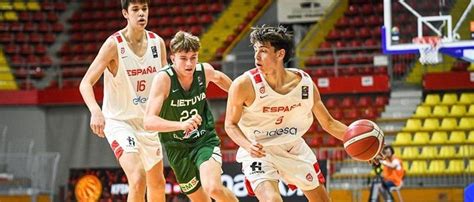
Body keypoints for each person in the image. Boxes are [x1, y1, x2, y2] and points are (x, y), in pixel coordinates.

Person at [224, 25, 349, 202]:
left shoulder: (304, 84)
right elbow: (230, 124)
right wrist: (247, 145)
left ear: (280, 54)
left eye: (264, 51)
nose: (256, 56)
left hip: (293, 147)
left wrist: (356, 139)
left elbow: (329, 123)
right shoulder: (244, 84)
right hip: (258, 149)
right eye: (255, 50)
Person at [79, 0, 167, 201]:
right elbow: (85, 83)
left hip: (148, 123)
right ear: (125, 13)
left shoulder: (157, 43)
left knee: (158, 183)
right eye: (135, 9)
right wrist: (95, 110)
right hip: (120, 122)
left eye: (144, 9)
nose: (141, 14)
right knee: (137, 178)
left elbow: (166, 84)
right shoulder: (113, 45)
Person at [144, 31, 238, 202]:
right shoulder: (164, 80)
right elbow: (148, 121)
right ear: (173, 58)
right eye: (183, 58)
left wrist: (242, 100)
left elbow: (224, 80)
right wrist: (181, 125)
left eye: (193, 57)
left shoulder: (204, 71)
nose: (189, 63)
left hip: (204, 139)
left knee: (213, 188)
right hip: (176, 147)